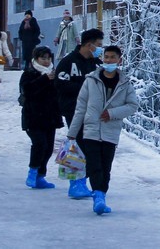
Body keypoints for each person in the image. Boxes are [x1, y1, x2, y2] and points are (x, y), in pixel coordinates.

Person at [67, 45, 139, 215]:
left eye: (113, 57)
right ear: (102, 59)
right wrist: (72, 132)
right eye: (106, 57)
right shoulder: (91, 80)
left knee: (106, 166)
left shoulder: (125, 83)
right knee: (94, 164)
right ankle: (98, 196)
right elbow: (81, 107)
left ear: (119, 60)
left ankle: (101, 195)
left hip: (110, 131)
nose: (109, 60)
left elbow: (133, 105)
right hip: (91, 130)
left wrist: (113, 113)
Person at [54, 28, 103, 200]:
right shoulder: (68, 62)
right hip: (74, 111)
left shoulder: (96, 63)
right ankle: (76, 183)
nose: (100, 49)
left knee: (92, 146)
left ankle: (83, 180)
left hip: (94, 113)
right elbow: (60, 84)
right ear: (89, 45)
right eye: (98, 45)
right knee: (79, 145)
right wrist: (84, 88)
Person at [19, 45, 61, 190]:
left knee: (48, 148)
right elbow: (27, 90)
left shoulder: (54, 74)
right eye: (43, 58)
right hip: (33, 117)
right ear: (36, 59)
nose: (46, 61)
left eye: (48, 58)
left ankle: (40, 176)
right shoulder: (29, 73)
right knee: (39, 144)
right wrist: (44, 80)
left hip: (49, 118)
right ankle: (33, 171)